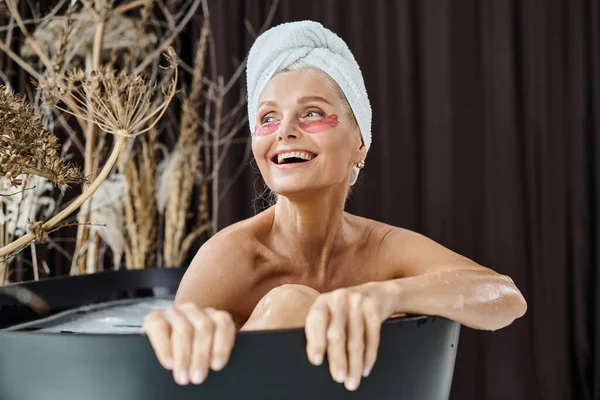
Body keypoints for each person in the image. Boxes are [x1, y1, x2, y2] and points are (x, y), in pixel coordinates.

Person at [142, 21, 527, 392]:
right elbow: (157, 376)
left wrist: (386, 295)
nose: (284, 130)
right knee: (290, 304)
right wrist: (181, 329)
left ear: (360, 142)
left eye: (310, 113)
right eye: (268, 117)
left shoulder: (382, 249)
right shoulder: (230, 258)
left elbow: (504, 296)